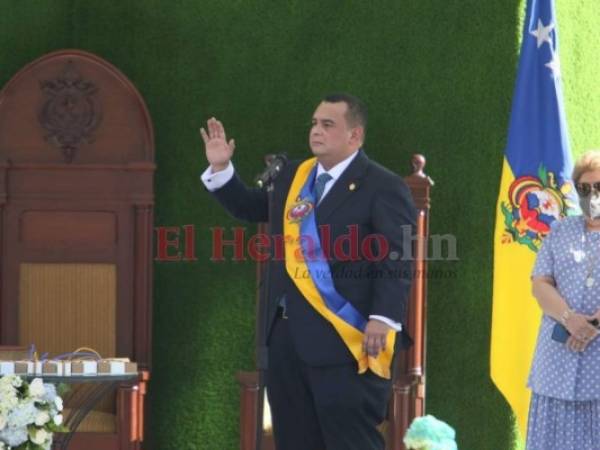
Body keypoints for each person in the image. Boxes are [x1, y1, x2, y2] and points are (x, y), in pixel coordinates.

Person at [200, 93, 416, 450]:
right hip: (285, 339)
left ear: (355, 136)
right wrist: (223, 169)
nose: (316, 131)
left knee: (350, 443)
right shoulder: (293, 176)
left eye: (328, 125)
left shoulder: (383, 185)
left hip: (347, 339)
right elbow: (249, 207)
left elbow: (397, 258)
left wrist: (384, 317)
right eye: (314, 123)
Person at [527, 150, 600, 450]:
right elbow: (540, 284)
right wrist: (571, 320)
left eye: (599, 187)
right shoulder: (559, 230)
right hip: (555, 361)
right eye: (585, 188)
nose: (592, 195)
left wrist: (593, 324)